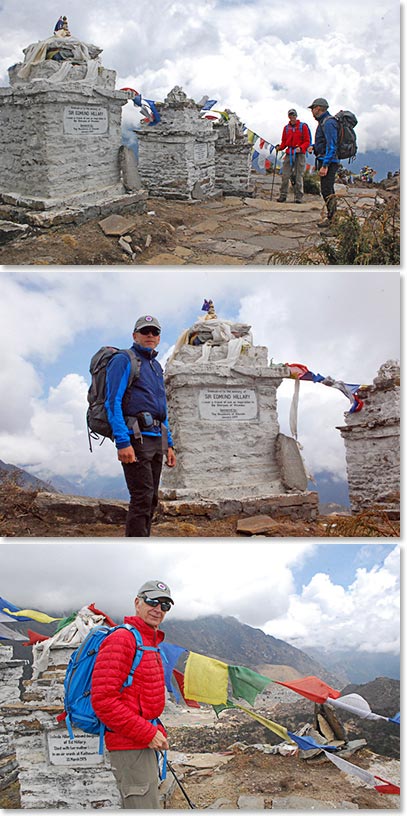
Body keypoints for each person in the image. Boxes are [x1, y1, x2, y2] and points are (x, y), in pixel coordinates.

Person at [91, 580, 173, 809]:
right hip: (130, 744)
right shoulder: (123, 639)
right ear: (137, 603)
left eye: (165, 605)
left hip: (141, 740)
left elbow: (138, 696)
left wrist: (153, 729)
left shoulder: (147, 641)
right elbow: (103, 701)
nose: (158, 609)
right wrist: (148, 733)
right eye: (152, 601)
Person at [105, 315, 176, 537]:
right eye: (145, 331)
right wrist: (122, 441)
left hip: (155, 439)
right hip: (135, 438)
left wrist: (169, 445)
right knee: (142, 497)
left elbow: (161, 410)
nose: (150, 336)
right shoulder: (124, 360)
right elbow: (112, 402)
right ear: (135, 335)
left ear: (159, 337)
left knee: (152, 497)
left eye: (154, 332)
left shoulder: (156, 366)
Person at [307, 98, 340, 228]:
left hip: (329, 162)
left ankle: (334, 222)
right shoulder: (324, 122)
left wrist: (325, 165)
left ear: (318, 108)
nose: (312, 112)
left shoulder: (328, 123)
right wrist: (314, 147)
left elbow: (332, 145)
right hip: (325, 159)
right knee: (327, 190)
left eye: (313, 109)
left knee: (328, 191)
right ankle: (331, 218)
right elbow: (325, 143)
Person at [275, 108, 311, 203]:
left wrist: (301, 148)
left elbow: (307, 141)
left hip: (300, 153)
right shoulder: (286, 128)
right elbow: (284, 142)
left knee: (299, 175)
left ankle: (299, 197)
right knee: (285, 175)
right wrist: (280, 148)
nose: (292, 117)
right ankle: (283, 195)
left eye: (293, 115)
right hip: (289, 153)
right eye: (290, 115)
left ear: (296, 116)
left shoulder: (303, 127)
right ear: (289, 116)